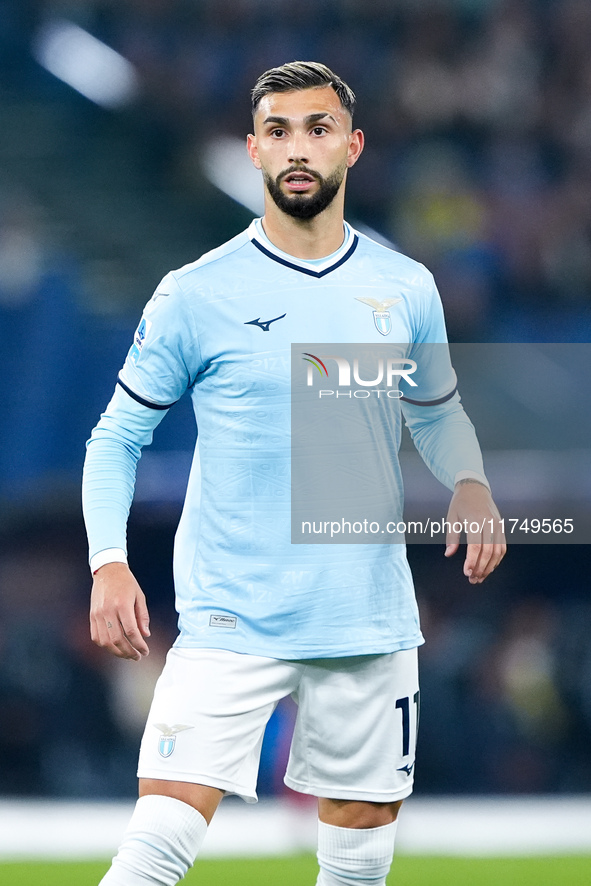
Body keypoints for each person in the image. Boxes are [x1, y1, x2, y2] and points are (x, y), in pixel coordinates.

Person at [82, 61, 506, 886]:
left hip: (366, 620)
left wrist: (471, 481)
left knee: (355, 871)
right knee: (153, 854)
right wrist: (108, 562)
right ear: (252, 150)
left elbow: (436, 410)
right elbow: (116, 435)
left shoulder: (404, 288)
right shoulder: (195, 294)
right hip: (229, 620)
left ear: (351, 145)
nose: (297, 148)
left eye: (317, 128)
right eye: (277, 131)